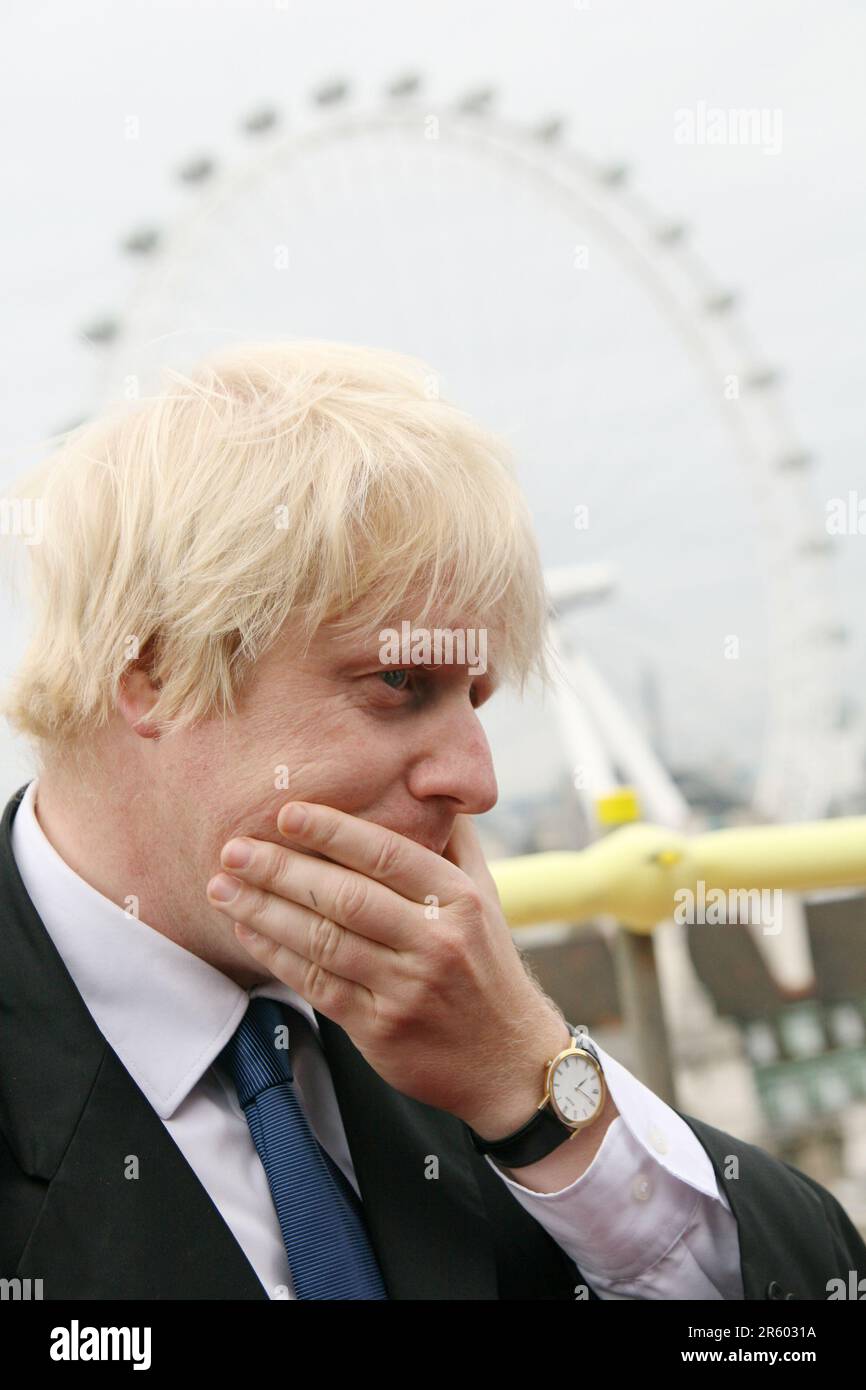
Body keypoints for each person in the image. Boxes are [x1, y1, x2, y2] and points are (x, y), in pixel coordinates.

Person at [1, 341, 863, 1301]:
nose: (476, 779)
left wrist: (535, 1090)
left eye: (476, 700)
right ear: (153, 673)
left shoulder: (453, 1023)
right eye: (399, 683)